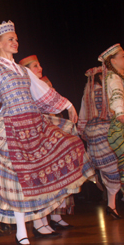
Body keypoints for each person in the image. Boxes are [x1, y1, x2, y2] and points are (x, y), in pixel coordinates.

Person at [0, 21, 94, 245]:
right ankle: (21, 233)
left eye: (16, 38)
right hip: (13, 128)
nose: (15, 42)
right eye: (11, 39)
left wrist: (67, 104)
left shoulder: (23, 71)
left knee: (60, 150)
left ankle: (37, 224)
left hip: (34, 126)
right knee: (18, 180)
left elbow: (43, 93)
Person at [19, 54, 76, 232]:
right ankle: (38, 222)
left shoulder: (39, 86)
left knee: (45, 178)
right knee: (36, 179)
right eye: (35, 66)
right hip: (30, 136)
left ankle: (45, 220)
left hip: (41, 135)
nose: (40, 69)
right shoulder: (26, 86)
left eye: (39, 65)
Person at [78, 66, 121, 218]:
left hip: (92, 133)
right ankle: (111, 204)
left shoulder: (87, 91)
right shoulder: (107, 90)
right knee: (117, 168)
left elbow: (83, 113)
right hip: (107, 131)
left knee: (107, 169)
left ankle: (111, 204)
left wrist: (83, 132)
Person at [98, 44, 124, 202]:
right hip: (122, 124)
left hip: (123, 121)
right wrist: (121, 114)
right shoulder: (113, 77)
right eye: (123, 56)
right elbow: (116, 95)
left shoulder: (121, 75)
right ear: (113, 61)